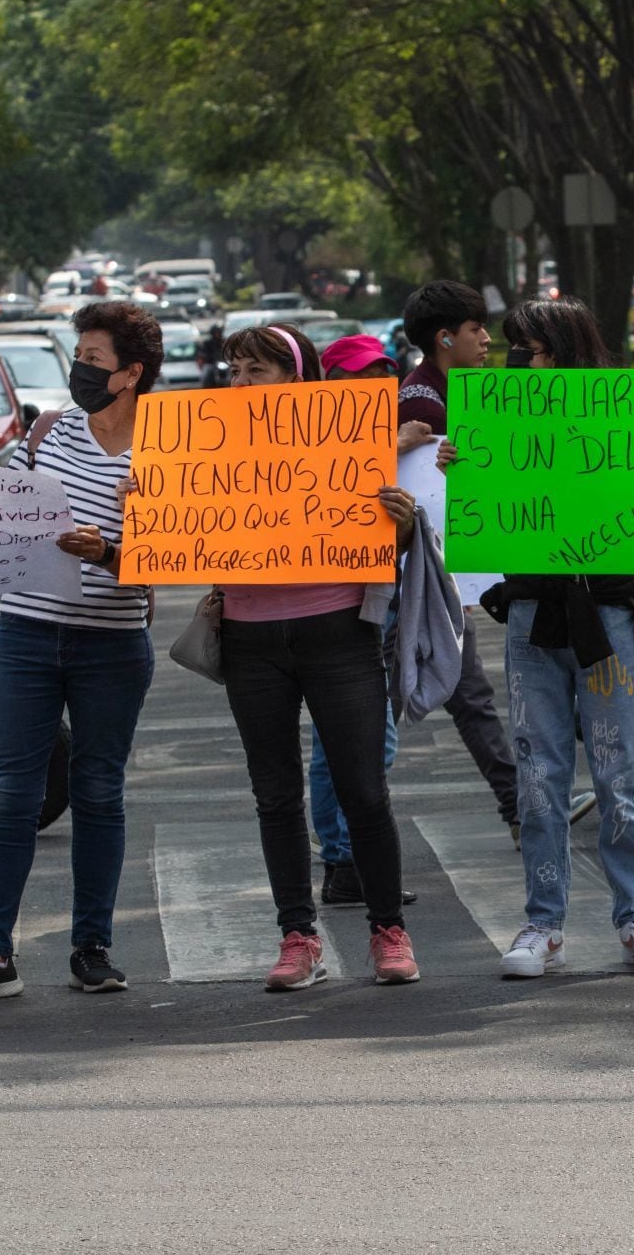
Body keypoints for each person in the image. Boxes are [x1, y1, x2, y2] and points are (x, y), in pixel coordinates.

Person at [438, 298, 634, 978]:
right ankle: (543, 922)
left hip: (608, 616)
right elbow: (479, 523)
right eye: (513, 349)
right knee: (540, 777)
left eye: (529, 349)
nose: (517, 361)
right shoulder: (500, 424)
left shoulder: (622, 418)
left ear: (564, 350)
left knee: (622, 773)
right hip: (535, 617)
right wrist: (455, 467)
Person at [0, 300, 165, 1006]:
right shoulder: (49, 432)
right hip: (27, 635)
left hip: (113, 645)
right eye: (79, 358)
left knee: (96, 794)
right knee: (11, 795)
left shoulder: (167, 451)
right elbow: (2, 509)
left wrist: (113, 548)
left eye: (93, 361)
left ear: (131, 374)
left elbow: (175, 556)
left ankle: (92, 948)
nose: (80, 372)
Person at [218, 323, 423, 990]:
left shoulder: (350, 440)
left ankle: (387, 929)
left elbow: (386, 542)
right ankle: (297, 936)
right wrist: (153, 512)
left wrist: (401, 520)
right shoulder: (205, 446)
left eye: (259, 369)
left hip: (338, 630)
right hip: (249, 639)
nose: (243, 383)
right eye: (237, 370)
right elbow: (184, 533)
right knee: (276, 795)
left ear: (298, 378)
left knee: (363, 789)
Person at [304, 332, 430, 907]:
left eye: (381, 374)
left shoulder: (393, 438)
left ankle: (349, 857)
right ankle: (343, 859)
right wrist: (393, 445)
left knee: (362, 742)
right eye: (357, 375)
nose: (371, 385)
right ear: (329, 383)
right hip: (334, 608)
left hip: (381, 602)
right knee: (351, 745)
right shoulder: (315, 438)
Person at [400, 280, 522, 842]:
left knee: (466, 691)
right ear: (445, 337)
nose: (485, 339)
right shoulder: (423, 401)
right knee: (463, 691)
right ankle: (517, 802)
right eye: (476, 329)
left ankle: (518, 801)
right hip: (418, 575)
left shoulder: (460, 390)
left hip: (439, 570)